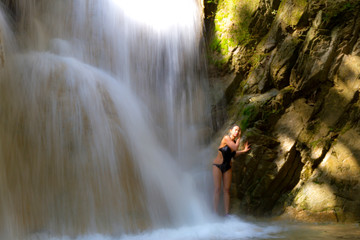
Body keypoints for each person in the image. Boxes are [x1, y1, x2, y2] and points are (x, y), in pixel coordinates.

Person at [212, 124, 250, 215]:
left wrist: (244, 151)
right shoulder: (226, 138)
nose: (237, 132)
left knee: (227, 190)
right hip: (217, 165)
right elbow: (235, 147)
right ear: (230, 130)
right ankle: (214, 212)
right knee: (217, 189)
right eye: (235, 130)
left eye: (238, 130)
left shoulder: (233, 142)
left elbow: (234, 154)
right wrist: (239, 138)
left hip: (227, 167)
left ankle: (227, 213)